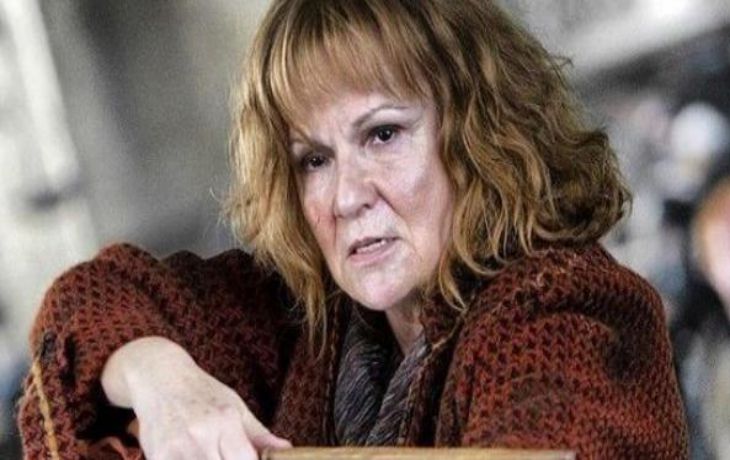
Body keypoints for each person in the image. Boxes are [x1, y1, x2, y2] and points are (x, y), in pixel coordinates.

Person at [17, 0, 688, 458]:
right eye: (314, 159)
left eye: (383, 134)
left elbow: (549, 437)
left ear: (480, 133)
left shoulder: (567, 308)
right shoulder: (306, 325)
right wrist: (163, 380)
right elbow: (91, 303)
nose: (345, 197)